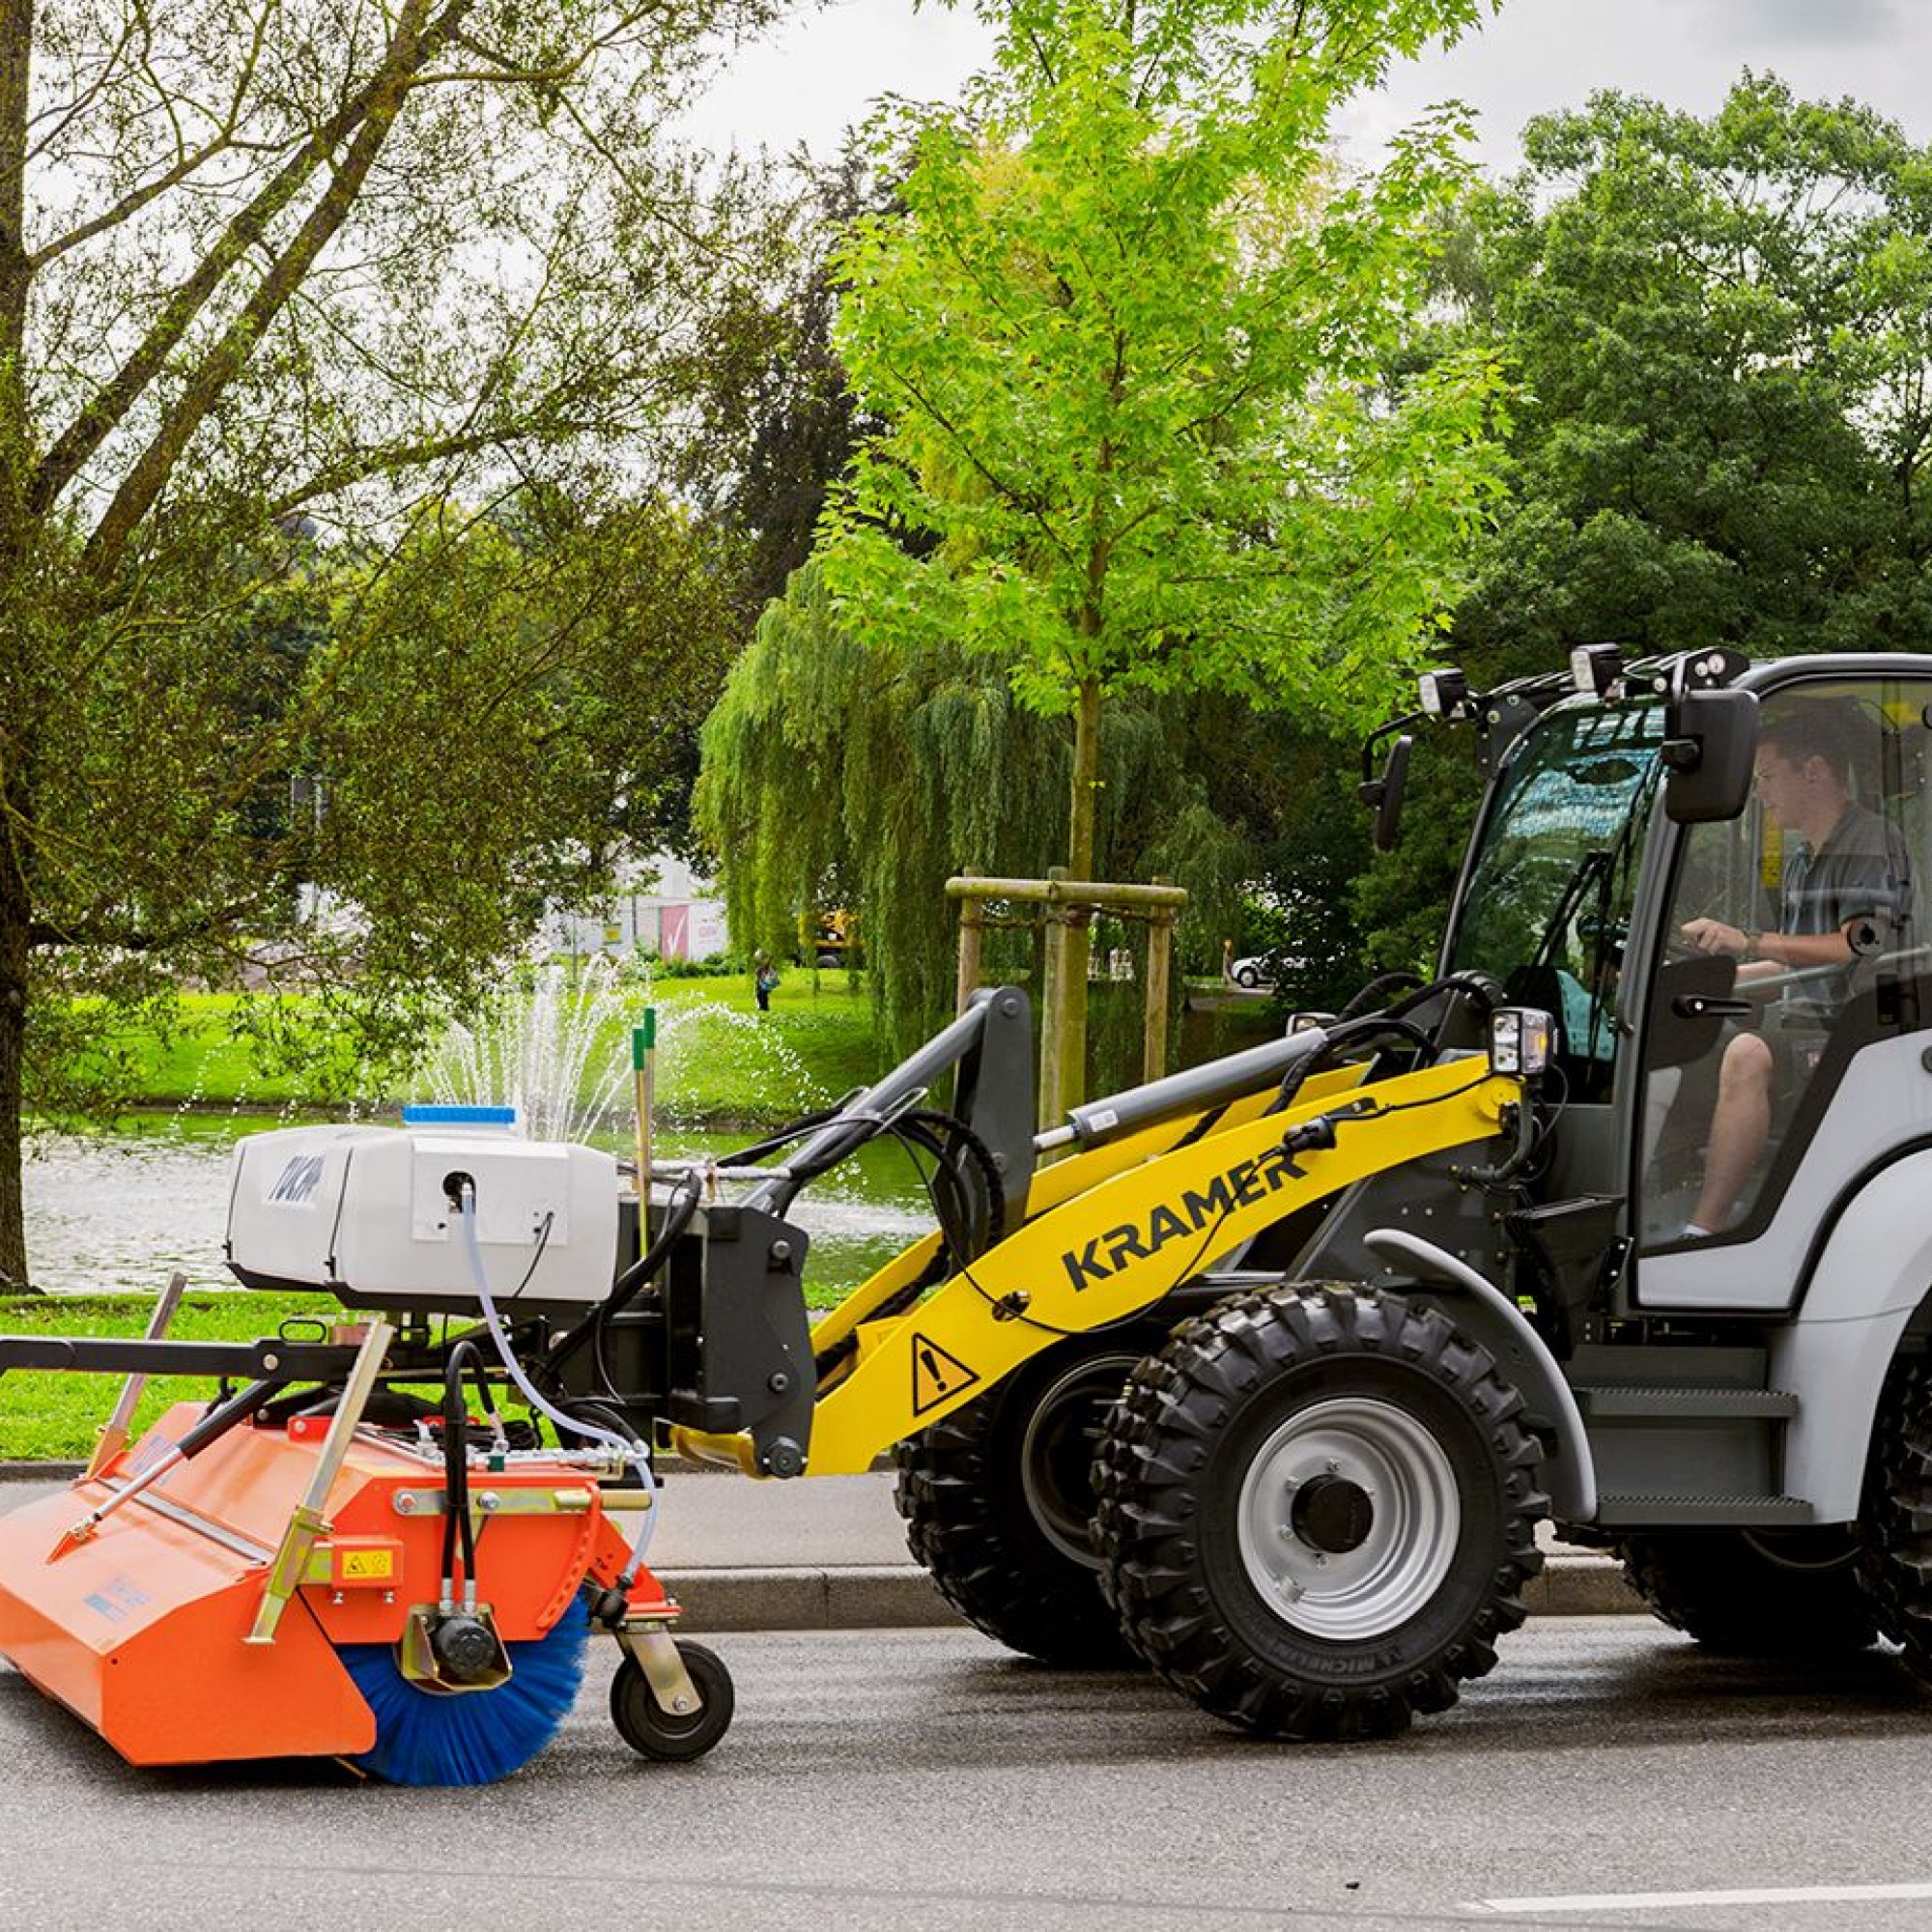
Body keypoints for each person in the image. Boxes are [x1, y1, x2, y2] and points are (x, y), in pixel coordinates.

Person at [1676, 704, 1906, 1237]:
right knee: (1692, 1032)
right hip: (1802, 1017)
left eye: (1767, 777)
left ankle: (1704, 1231)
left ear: (1815, 771)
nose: (1761, 793)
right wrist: (1713, 979)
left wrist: (1747, 939)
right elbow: (1790, 958)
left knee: (1746, 1051)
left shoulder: (1871, 841)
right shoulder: (1804, 859)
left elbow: (1857, 944)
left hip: (1851, 1029)